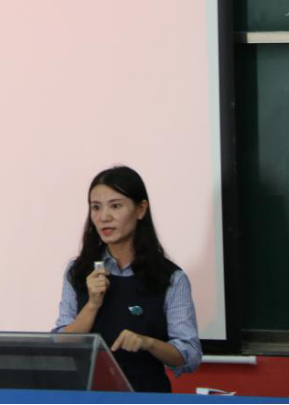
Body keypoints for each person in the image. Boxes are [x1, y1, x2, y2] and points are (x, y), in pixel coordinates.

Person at [54, 165, 201, 393]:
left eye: (115, 206)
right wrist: (92, 305)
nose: (104, 217)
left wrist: (148, 343)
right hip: (87, 396)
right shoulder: (77, 271)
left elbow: (189, 356)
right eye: (96, 207)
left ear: (140, 209)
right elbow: (60, 346)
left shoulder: (171, 278)